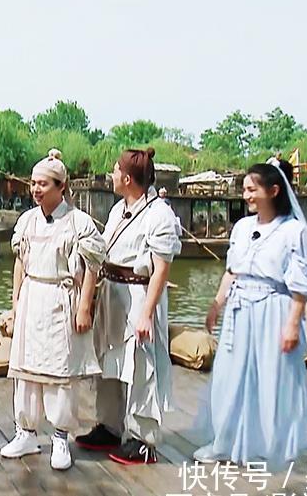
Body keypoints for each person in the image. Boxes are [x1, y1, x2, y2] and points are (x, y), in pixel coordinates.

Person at [193, 160, 307, 469]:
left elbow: (301, 284)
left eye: (252, 189)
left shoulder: (294, 232)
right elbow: (232, 270)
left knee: (270, 376)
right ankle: (225, 441)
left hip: (273, 308)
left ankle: (268, 446)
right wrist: (216, 304)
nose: (247, 195)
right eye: (245, 190)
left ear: (274, 190)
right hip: (240, 309)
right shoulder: (242, 227)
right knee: (229, 375)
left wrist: (293, 323)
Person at [0, 149, 105, 470]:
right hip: (33, 295)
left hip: (62, 299)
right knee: (26, 371)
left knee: (61, 372)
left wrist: (84, 306)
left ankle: (60, 437)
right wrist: (16, 304)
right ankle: (25, 432)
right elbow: (21, 263)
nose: (36, 189)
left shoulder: (79, 223)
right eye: (33, 183)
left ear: (61, 187)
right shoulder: (27, 221)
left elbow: (91, 267)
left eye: (43, 184)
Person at [76, 148, 182, 466]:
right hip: (112, 293)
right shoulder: (119, 209)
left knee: (141, 367)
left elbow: (161, 268)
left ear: (126, 177)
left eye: (114, 170)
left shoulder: (159, 214)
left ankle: (142, 439)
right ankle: (109, 426)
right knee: (109, 362)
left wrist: (147, 313)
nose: (110, 174)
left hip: (139, 295)